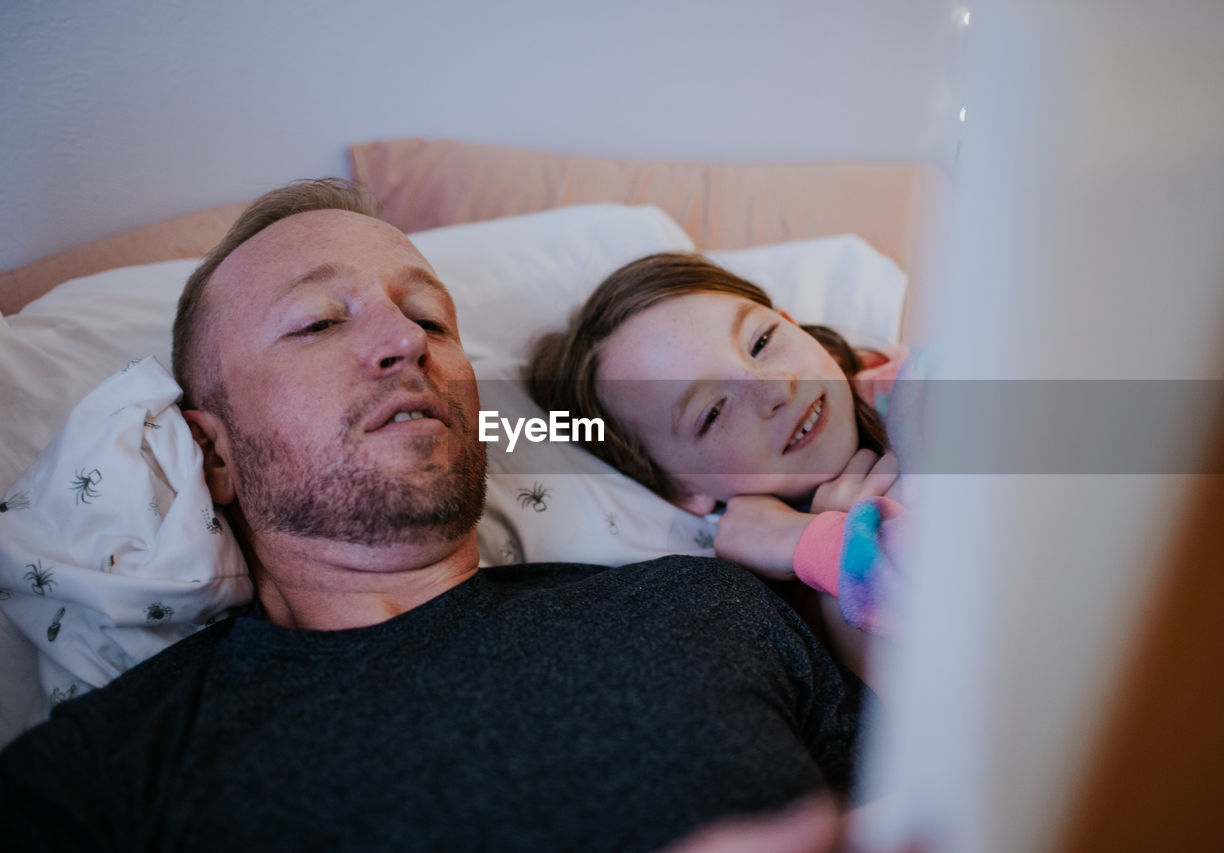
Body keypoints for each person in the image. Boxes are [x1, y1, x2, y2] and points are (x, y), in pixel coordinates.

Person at [0, 180, 874, 852]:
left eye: (429, 316)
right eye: (315, 322)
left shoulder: (706, 606)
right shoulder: (129, 756)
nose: (406, 339)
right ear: (215, 455)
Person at [526, 254, 908, 669]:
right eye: (712, 413)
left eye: (761, 342)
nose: (776, 388)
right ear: (680, 488)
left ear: (790, 321)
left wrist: (806, 539)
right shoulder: (754, 616)